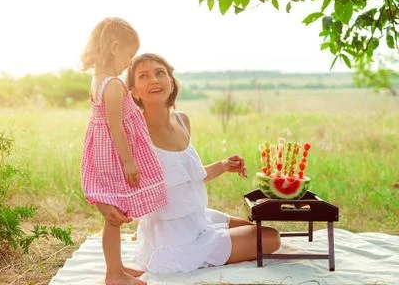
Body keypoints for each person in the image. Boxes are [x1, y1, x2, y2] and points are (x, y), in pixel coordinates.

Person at [126, 53, 281, 274]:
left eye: (160, 73)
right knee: (271, 238)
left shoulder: (182, 120)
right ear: (133, 91)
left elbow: (188, 176)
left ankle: (216, 240)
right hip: (174, 238)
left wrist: (224, 164)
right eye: (144, 76)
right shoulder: (136, 131)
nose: (154, 80)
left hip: (197, 218)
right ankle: (179, 249)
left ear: (171, 81)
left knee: (252, 228)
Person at [80, 19, 167, 285]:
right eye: (129, 55)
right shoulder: (114, 84)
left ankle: (116, 269)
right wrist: (129, 161)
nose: (129, 63)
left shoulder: (99, 80)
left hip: (102, 153)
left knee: (114, 218)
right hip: (115, 157)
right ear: (115, 47)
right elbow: (116, 126)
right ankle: (114, 274)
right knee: (114, 218)